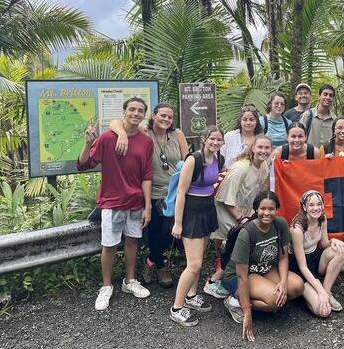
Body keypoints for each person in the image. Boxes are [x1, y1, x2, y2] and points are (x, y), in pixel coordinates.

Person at [77, 97, 153, 311]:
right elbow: (83, 164)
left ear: (144, 115)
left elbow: (147, 175)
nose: (136, 113)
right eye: (132, 109)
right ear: (124, 112)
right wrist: (87, 143)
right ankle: (106, 286)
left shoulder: (146, 142)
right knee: (109, 246)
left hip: (136, 202)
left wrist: (147, 206)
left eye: (140, 110)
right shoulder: (107, 138)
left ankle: (129, 281)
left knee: (132, 242)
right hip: (112, 201)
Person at [110, 103, 189, 289]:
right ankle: (161, 267)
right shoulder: (144, 133)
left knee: (170, 231)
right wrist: (121, 134)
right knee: (155, 232)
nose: (166, 120)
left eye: (169, 117)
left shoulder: (177, 135)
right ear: (153, 116)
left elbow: (188, 161)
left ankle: (151, 260)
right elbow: (115, 122)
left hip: (175, 192)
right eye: (162, 115)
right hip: (152, 191)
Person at [221, 191, 305, 341]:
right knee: (275, 302)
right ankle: (235, 302)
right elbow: (241, 276)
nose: (267, 213)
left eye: (271, 209)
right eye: (262, 209)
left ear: (277, 209)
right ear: (256, 209)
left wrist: (283, 283)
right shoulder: (247, 233)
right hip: (241, 276)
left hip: (263, 268)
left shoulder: (280, 224)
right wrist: (247, 312)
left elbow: (283, 256)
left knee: (297, 286)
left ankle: (259, 294)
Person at [204, 135, 273, 299]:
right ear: (253, 148)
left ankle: (227, 279)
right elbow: (227, 201)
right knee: (239, 247)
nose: (263, 151)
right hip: (226, 211)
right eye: (260, 147)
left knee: (238, 249)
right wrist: (243, 221)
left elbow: (263, 194)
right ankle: (214, 282)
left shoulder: (263, 166)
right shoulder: (241, 168)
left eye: (267, 148)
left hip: (244, 211)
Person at [169, 126, 225, 326]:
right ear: (205, 139)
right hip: (191, 212)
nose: (216, 142)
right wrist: (177, 223)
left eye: (219, 140)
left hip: (207, 210)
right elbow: (181, 193)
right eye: (212, 139)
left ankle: (191, 296)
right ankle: (177, 307)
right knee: (194, 264)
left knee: (198, 259)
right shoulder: (193, 159)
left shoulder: (219, 159)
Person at [288, 190, 344, 317]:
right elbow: (302, 266)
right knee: (324, 312)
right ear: (304, 207)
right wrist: (319, 292)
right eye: (311, 205)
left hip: (314, 257)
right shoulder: (297, 229)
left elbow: (324, 243)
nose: (316, 208)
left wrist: (333, 241)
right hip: (299, 266)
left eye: (319, 204)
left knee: (341, 249)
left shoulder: (322, 219)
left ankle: (327, 291)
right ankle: (309, 291)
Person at [221, 104, 262, 169]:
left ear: (257, 121)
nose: (248, 123)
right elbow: (220, 157)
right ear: (240, 121)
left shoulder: (262, 139)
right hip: (230, 175)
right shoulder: (229, 137)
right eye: (245, 120)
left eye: (252, 120)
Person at [300, 84, 336, 149]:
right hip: (309, 156)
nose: (328, 97)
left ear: (333, 99)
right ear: (319, 96)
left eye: (330, 96)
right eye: (325, 94)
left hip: (327, 157)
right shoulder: (307, 115)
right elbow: (299, 137)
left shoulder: (334, 119)